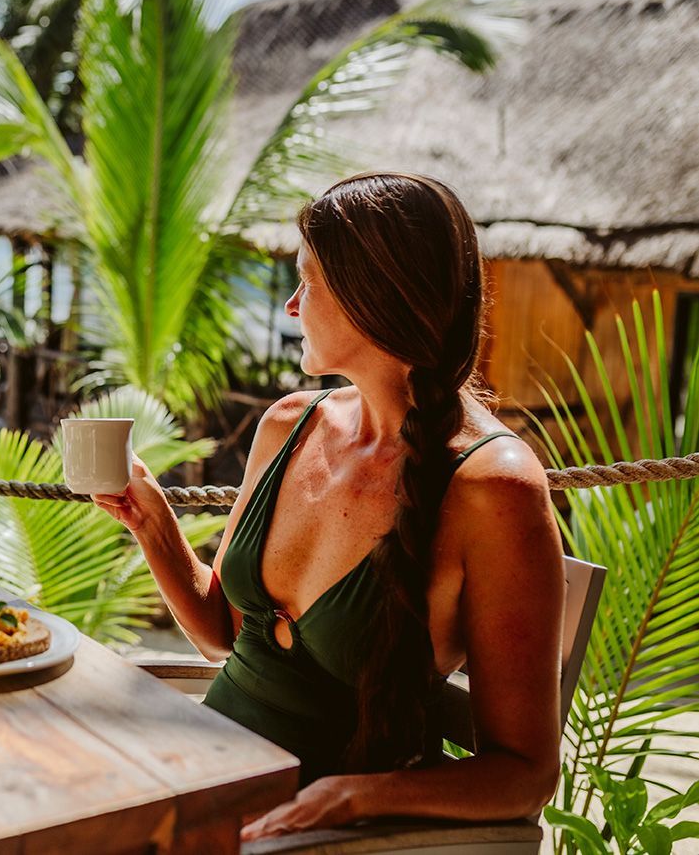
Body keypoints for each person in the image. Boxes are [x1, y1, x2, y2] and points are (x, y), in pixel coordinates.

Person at [94, 172, 564, 838]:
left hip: (318, 839)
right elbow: (218, 635)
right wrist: (150, 522)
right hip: (202, 779)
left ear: (369, 297)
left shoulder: (491, 488)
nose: (290, 306)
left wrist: (355, 798)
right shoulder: (290, 424)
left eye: (305, 281)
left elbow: (524, 773)